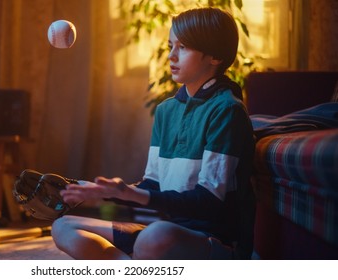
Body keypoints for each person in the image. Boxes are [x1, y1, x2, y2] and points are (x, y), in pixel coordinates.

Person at [51, 7, 256, 260]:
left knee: (154, 236)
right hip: (165, 231)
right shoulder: (166, 111)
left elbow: (208, 203)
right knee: (63, 226)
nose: (171, 56)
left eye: (183, 47)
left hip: (212, 239)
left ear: (214, 56)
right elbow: (153, 185)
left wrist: (126, 193)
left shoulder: (227, 110)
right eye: (171, 46)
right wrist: (102, 191)